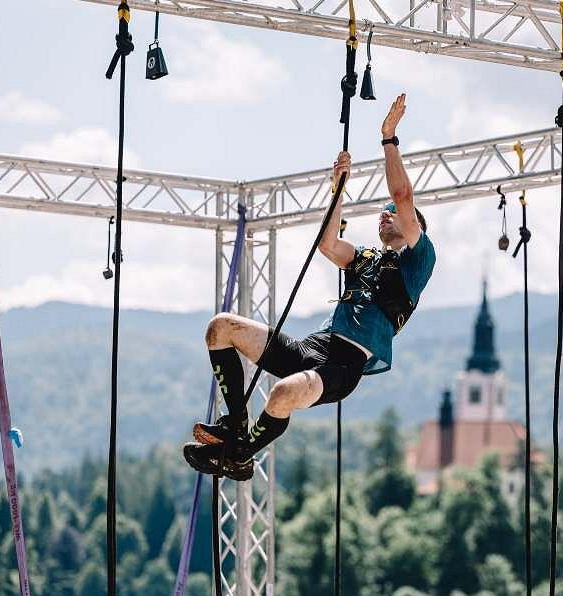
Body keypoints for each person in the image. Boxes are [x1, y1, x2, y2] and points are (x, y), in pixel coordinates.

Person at [184, 94, 437, 481]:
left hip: (345, 364)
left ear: (413, 226)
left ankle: (241, 455)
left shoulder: (417, 261)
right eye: (381, 212)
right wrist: (338, 188)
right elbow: (328, 245)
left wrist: (388, 138)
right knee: (220, 328)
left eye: (393, 214)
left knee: (283, 394)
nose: (385, 214)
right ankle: (236, 425)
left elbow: (403, 196)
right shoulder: (366, 257)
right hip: (316, 345)